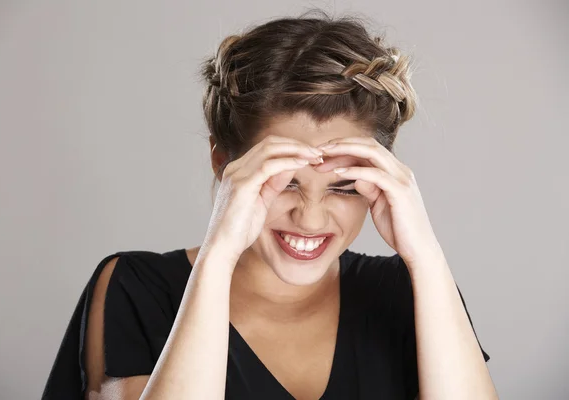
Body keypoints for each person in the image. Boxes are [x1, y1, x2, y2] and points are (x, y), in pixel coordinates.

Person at [42, 9, 496, 400]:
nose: (310, 217)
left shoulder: (411, 290)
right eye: (284, 183)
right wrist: (218, 253)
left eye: (343, 187)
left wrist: (427, 255)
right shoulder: (136, 287)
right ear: (224, 164)